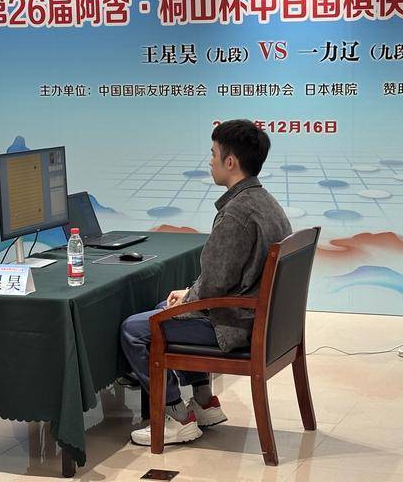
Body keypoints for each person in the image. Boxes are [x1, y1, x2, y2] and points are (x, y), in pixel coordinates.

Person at [120, 119, 292, 446]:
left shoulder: (236, 214)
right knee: (165, 306)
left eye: (213, 154)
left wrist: (189, 297)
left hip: (234, 326)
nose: (210, 161)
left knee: (134, 329)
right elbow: (221, 279)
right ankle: (204, 401)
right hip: (256, 319)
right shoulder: (266, 202)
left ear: (231, 162)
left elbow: (214, 286)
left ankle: (177, 417)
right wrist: (188, 295)